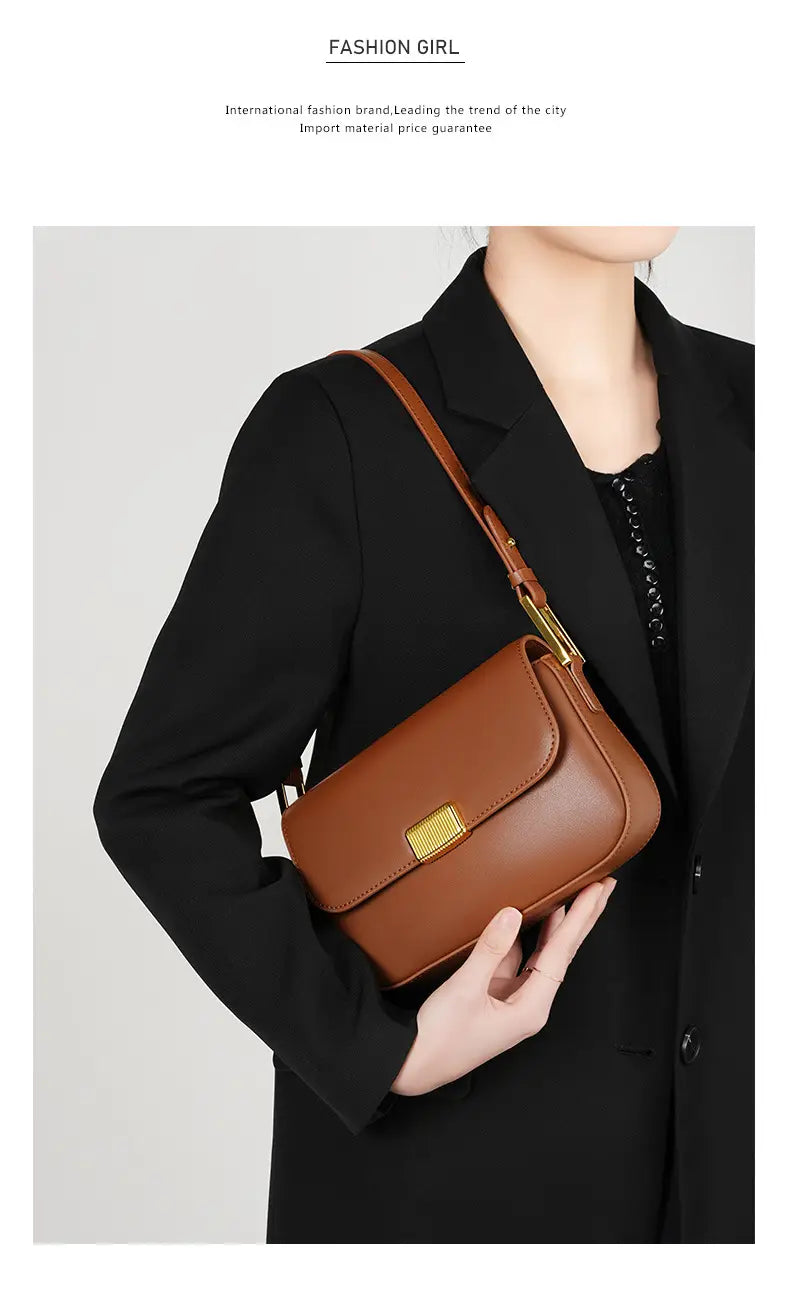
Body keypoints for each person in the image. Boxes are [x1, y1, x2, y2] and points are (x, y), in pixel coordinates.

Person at [93, 227, 754, 1243]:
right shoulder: (340, 428)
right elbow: (162, 797)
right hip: (458, 1185)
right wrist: (374, 1048)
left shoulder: (754, 402)